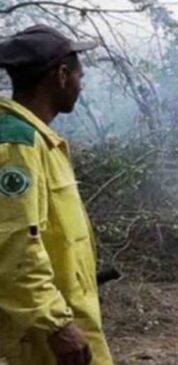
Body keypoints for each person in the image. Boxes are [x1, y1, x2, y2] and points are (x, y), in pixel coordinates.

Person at [0, 25, 113, 364]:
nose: (82, 83)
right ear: (62, 75)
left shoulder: (37, 139)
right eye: (80, 74)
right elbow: (13, 243)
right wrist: (55, 324)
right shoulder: (17, 145)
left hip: (63, 321)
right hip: (43, 338)